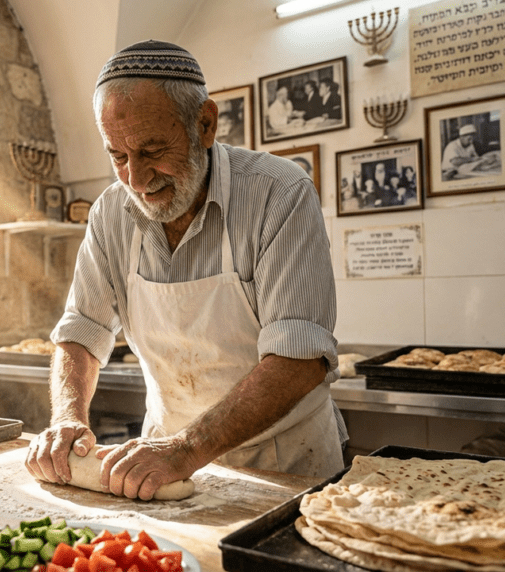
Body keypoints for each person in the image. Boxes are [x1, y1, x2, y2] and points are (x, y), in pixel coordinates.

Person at [24, 40, 346, 500]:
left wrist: (187, 448)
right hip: (161, 461)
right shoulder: (110, 213)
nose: (136, 179)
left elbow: (299, 358)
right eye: (118, 156)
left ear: (205, 124)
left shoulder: (279, 193)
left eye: (153, 150)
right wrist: (67, 417)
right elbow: (83, 329)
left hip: (284, 464)